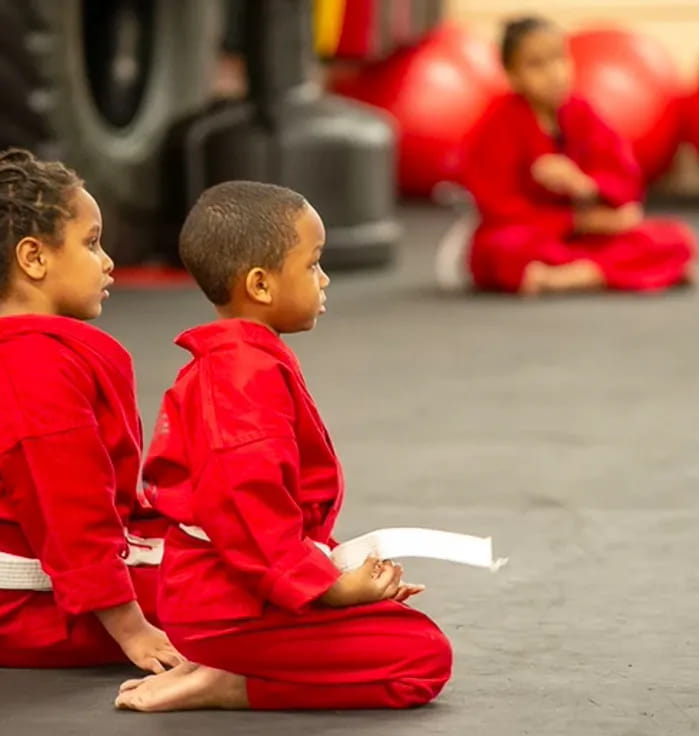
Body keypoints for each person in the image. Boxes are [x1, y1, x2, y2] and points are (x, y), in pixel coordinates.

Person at [115, 181, 452, 712]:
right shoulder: (241, 377)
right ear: (261, 285)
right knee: (421, 657)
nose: (324, 279)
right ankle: (230, 683)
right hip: (228, 607)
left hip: (238, 591)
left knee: (395, 628)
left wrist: (336, 572)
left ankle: (231, 665)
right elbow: (247, 509)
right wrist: (330, 591)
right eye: (313, 263)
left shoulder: (245, 363)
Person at [0, 149, 181, 671]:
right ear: (34, 258)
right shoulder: (31, 371)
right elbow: (71, 511)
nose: (107, 260)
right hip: (24, 612)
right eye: (91, 243)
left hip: (30, 597)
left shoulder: (31, 356)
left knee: (230, 556)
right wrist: (134, 632)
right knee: (232, 595)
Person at [461, 16, 697, 295]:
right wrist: (574, 221)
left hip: (587, 237)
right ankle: (619, 273)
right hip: (536, 234)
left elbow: (625, 177)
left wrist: (584, 184)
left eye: (560, 59)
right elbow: (496, 207)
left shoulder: (581, 113)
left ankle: (577, 276)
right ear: (513, 75)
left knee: (674, 238)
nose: (554, 74)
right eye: (537, 65)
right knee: (499, 251)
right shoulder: (497, 123)